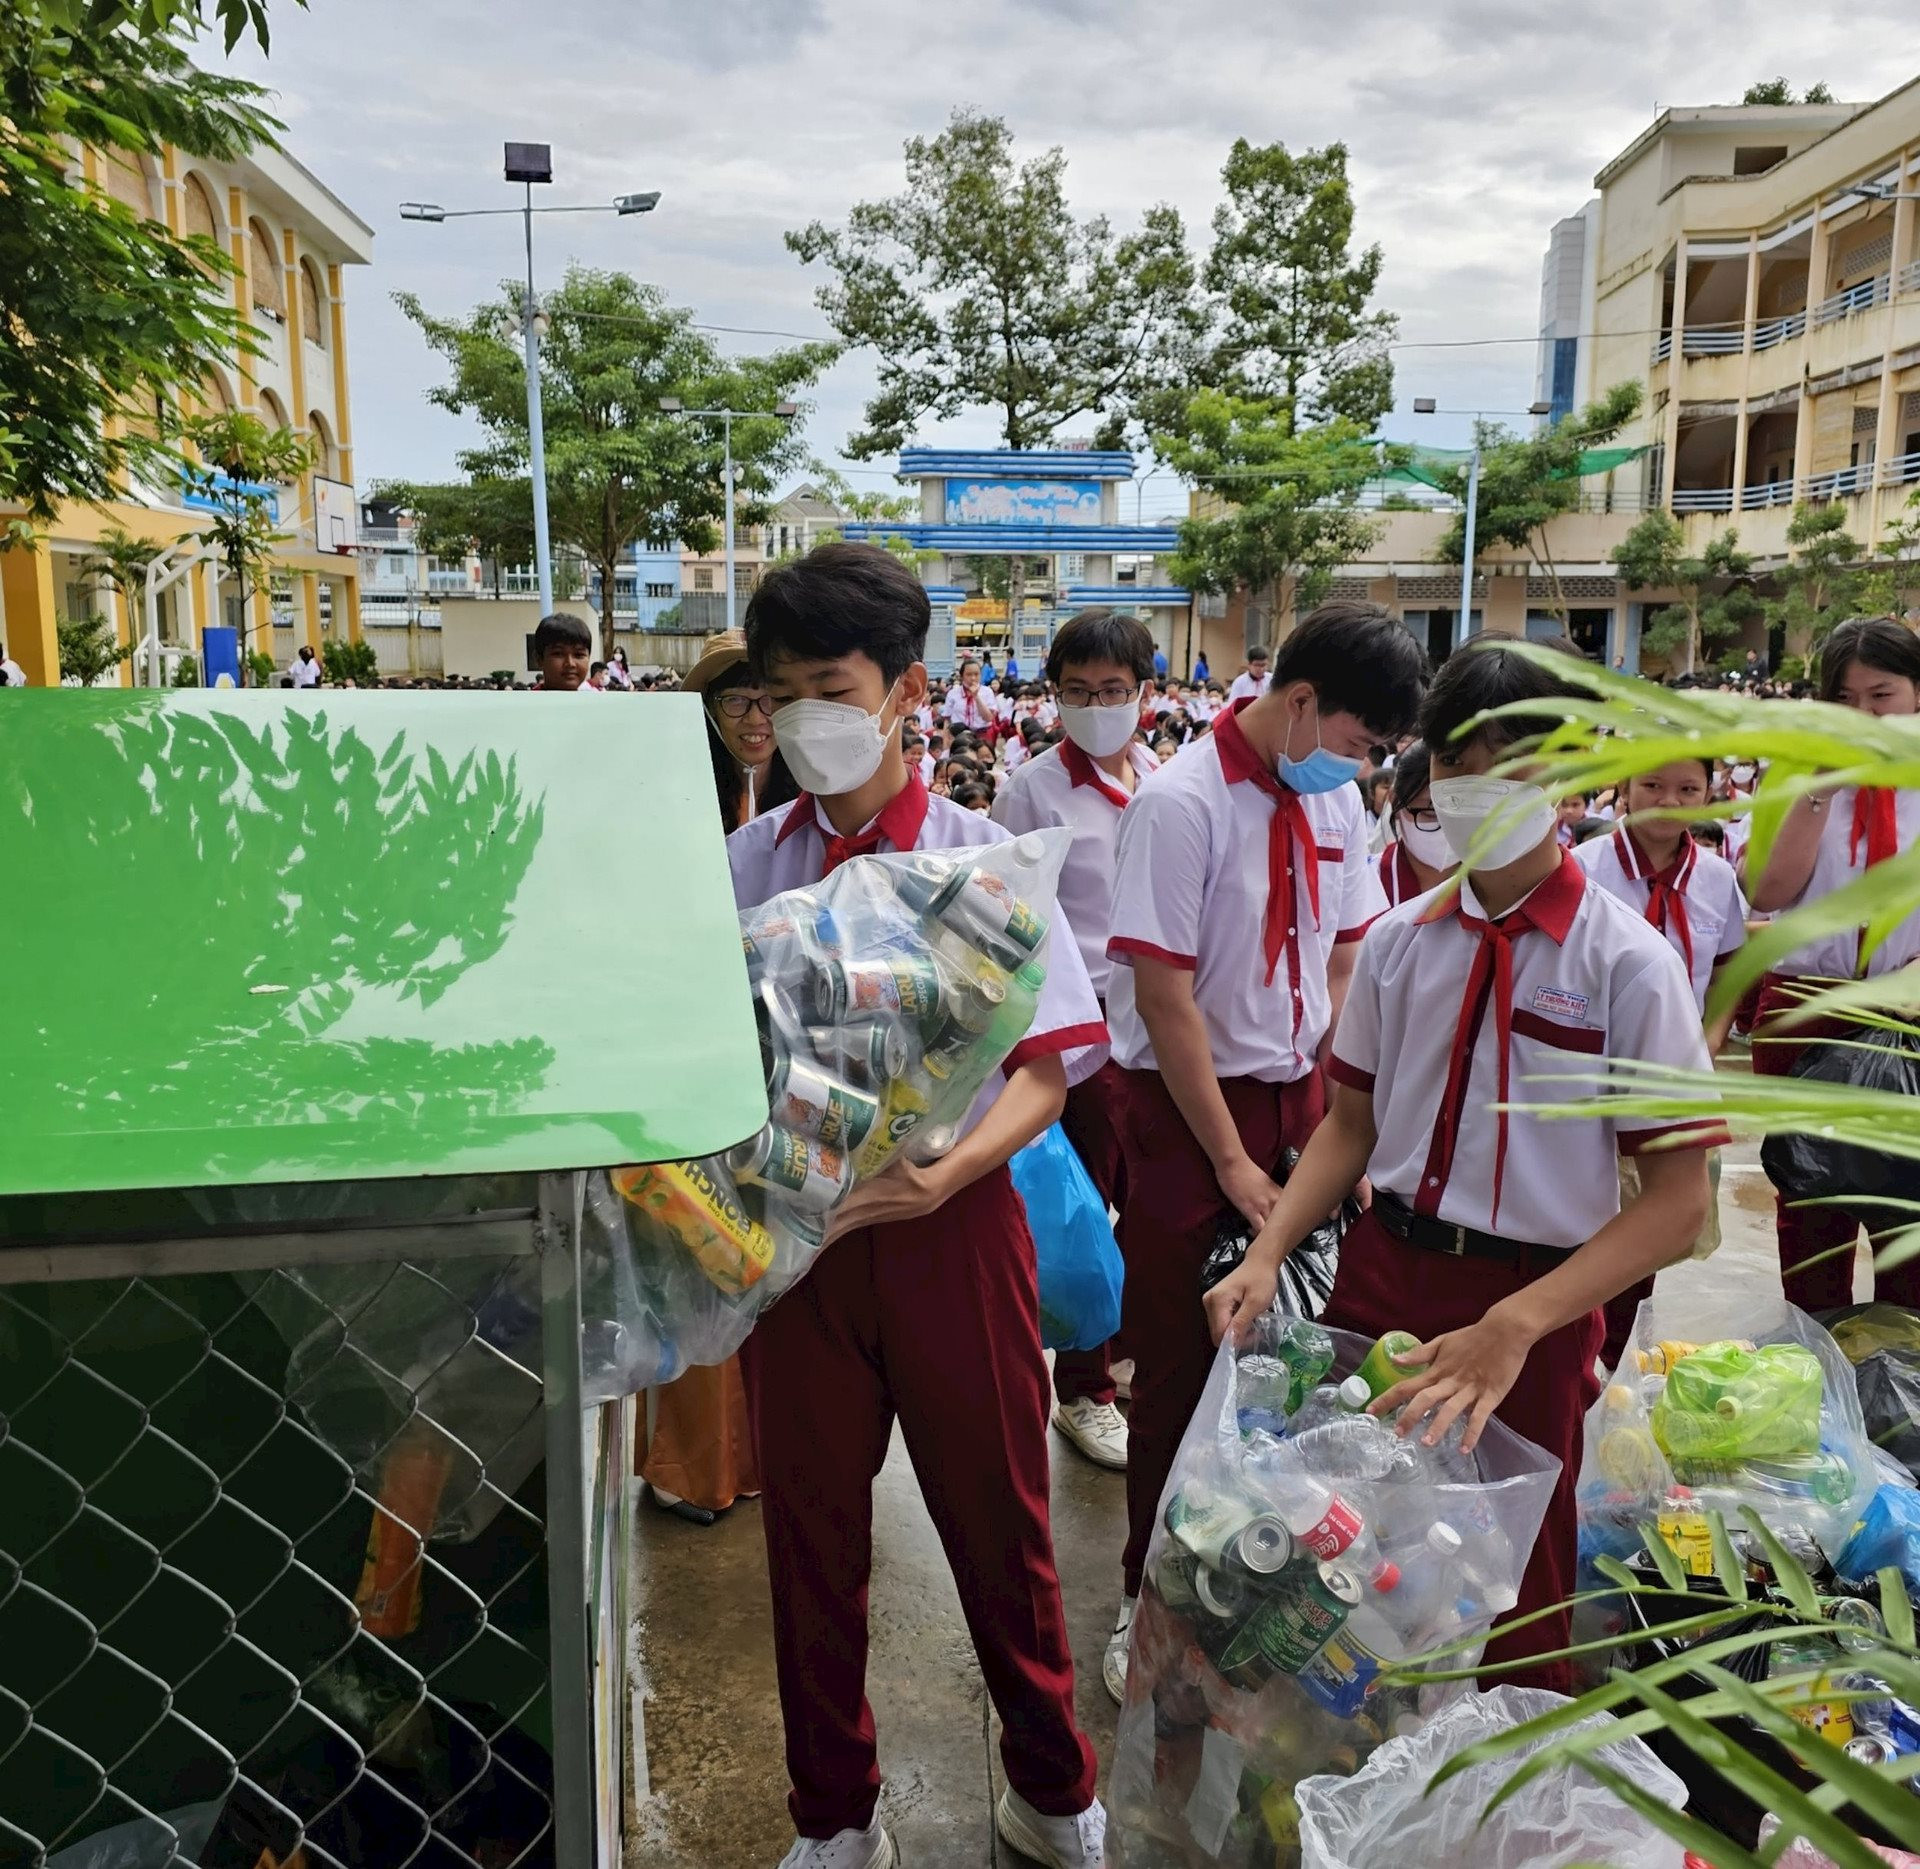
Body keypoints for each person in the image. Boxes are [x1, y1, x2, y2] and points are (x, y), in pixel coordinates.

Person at [1204, 639, 1720, 1689]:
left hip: (1530, 1304)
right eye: (1460, 765)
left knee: (1518, 1588)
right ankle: (1338, 1776)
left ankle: (1498, 1807)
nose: (1483, 791)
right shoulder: (1399, 943)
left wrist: (1518, 1329)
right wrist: (1268, 1252)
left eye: (1518, 767)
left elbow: (1678, 1204)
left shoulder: (1626, 964)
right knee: (1346, 1549)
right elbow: (1349, 1126)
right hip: (1383, 1274)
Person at [728, 543, 1108, 1869]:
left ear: (907, 689)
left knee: (1002, 1522)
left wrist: (955, 1166)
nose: (806, 722)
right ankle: (835, 1814)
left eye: (832, 687)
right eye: (780, 696)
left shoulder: (986, 863)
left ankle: (1055, 1787)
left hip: (956, 1230)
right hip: (799, 1249)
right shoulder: (743, 866)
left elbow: (1050, 1070)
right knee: (811, 1539)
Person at [1099, 601, 1427, 1704]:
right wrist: (1236, 1165)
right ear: (1299, 706)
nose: (1364, 770)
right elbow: (1167, 998)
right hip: (1193, 1112)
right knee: (1183, 1372)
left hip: (1303, 1102)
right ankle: (1148, 1600)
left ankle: (1256, 1590)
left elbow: (1343, 967)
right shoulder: (1180, 805)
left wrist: (1348, 1122)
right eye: (1357, 745)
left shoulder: (1334, 810)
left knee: (1290, 1371)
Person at [992, 608, 1161, 1473]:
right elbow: (1011, 917)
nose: (1098, 705)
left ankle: (1122, 1355)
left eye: (1114, 690)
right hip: (1084, 1025)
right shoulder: (1032, 790)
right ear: (1054, 696)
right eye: (1079, 691)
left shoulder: (1161, 778)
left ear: (1145, 694)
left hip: (1159, 1022)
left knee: (1152, 1200)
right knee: (1082, 1207)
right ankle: (1083, 1390)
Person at [1745, 616, 1920, 1311]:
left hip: (1907, 1008)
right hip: (1804, 1004)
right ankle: (1817, 1357)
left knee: (1908, 1204)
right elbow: (1767, 891)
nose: (1863, 714)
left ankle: (1900, 1374)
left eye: (1881, 694)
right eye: (1844, 699)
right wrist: (1819, 787)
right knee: (1811, 1201)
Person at [1576, 757, 1747, 1364]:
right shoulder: (1582, 868)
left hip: (1674, 1079)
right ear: (1623, 789)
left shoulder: (1718, 879)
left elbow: (1728, 968)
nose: (1667, 802)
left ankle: (1608, 1357)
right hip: (1593, 1078)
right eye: (1651, 785)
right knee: (1584, 1220)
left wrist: (1712, 1037)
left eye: (1688, 790)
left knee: (1654, 1226)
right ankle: (1576, 1350)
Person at [1376, 742, 1456, 907]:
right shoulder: (1367, 883)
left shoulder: (1501, 889)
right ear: (1394, 800)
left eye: (1460, 812)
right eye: (1431, 813)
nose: (1448, 829)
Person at [533, 613, 594, 692]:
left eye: (578, 655)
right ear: (539, 659)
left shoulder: (595, 702)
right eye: (558, 654)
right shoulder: (525, 703)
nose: (570, 664)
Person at [944, 658, 997, 737]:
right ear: (962, 676)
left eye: (976, 674)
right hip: (959, 735)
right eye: (969, 674)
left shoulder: (987, 692)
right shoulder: (953, 693)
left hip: (982, 734)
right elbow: (947, 719)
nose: (973, 678)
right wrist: (946, 740)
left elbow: (989, 718)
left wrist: (976, 696)